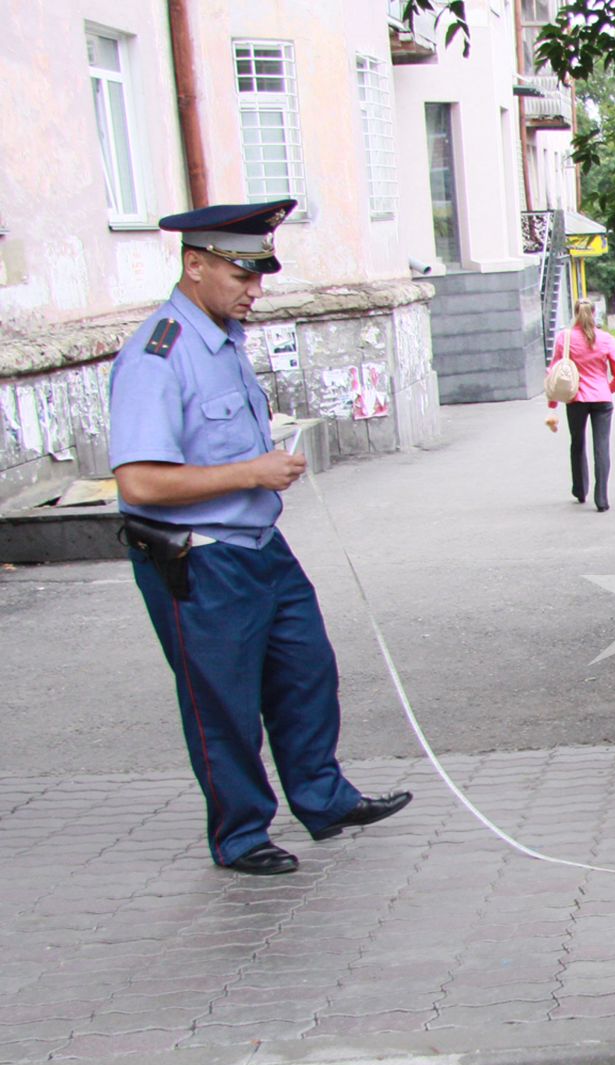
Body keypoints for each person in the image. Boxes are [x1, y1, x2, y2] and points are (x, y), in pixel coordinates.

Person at [108, 199, 411, 876]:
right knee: (223, 702)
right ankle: (242, 834)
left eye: (259, 275)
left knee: (307, 672)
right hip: (199, 559)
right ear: (195, 266)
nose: (255, 290)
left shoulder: (223, 341)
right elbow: (140, 483)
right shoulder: (159, 354)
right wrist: (254, 470)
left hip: (258, 546)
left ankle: (323, 799)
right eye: (242, 274)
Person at [546, 301, 615, 512]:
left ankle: (580, 490)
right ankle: (602, 498)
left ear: (575, 313)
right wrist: (609, 388)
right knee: (602, 447)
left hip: (575, 399)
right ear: (594, 313)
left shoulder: (565, 338)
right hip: (602, 398)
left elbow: (554, 371)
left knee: (577, 443)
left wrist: (553, 403)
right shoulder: (606, 338)